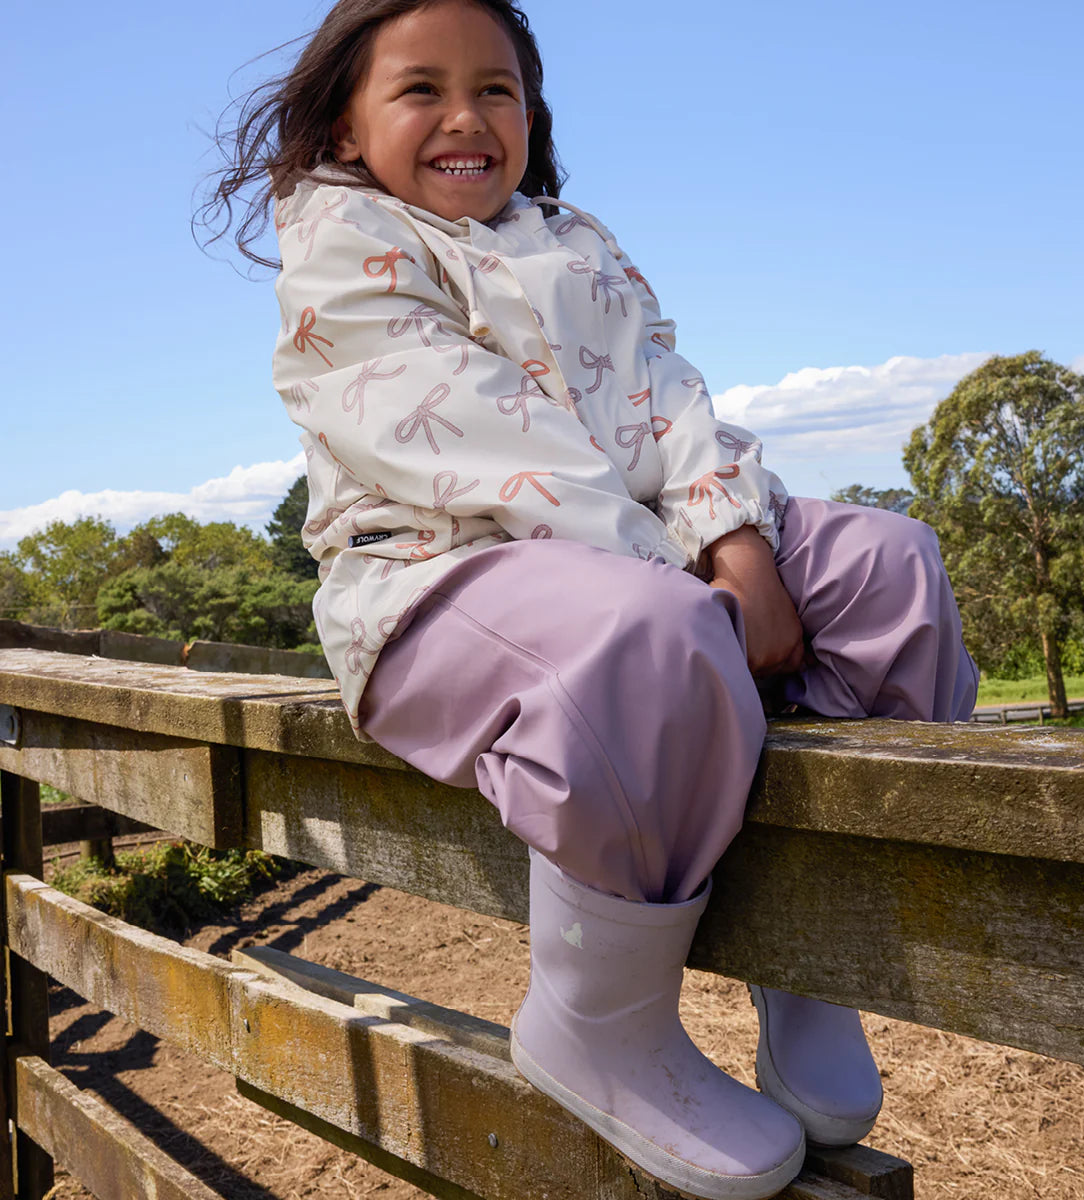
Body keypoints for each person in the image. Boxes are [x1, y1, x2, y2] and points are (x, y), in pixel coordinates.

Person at [201, 1, 979, 1196]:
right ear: (347, 128)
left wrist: (739, 540)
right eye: (422, 90)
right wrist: (700, 587)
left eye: (499, 89)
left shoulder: (574, 239)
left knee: (888, 563)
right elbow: (489, 450)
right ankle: (599, 1024)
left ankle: (821, 961)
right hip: (436, 582)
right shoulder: (343, 253)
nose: (468, 116)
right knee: (644, 636)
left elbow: (671, 395)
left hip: (649, 555)